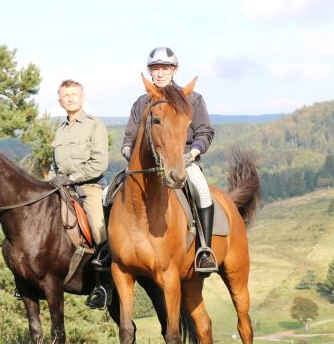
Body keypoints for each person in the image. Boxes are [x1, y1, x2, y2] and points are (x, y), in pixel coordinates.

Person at [121, 46, 218, 274]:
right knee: (109, 195)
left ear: (175, 70)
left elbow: (205, 131)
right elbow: (130, 136)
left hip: (183, 160)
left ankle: (204, 251)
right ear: (150, 72)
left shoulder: (191, 99)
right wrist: (127, 151)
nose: (161, 73)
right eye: (155, 69)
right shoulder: (142, 102)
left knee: (202, 192)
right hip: (146, 166)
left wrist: (192, 153)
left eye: (166, 68)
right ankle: (110, 250)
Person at [47, 79, 112, 308]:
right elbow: (55, 167)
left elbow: (99, 163)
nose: (70, 98)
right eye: (66, 95)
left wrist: (72, 178)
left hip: (89, 188)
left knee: (98, 228)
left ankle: (105, 285)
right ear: (60, 101)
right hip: (60, 187)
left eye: (74, 94)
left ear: (83, 97)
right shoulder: (60, 130)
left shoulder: (94, 125)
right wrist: (47, 184)